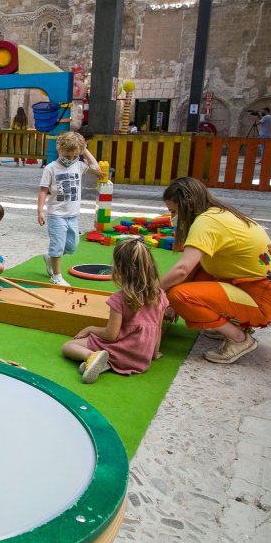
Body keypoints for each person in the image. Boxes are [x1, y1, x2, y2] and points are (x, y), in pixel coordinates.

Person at [159, 177, 271, 364]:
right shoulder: (217, 213)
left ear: (187, 203)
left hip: (261, 300)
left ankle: (239, 339)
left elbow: (182, 269)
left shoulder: (205, 222)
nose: (173, 218)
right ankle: (229, 324)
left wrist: (154, 290)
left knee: (179, 295)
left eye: (173, 211)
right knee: (195, 274)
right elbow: (193, 268)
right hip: (258, 289)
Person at [62, 238, 169, 383]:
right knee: (86, 348)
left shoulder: (119, 299)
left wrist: (90, 329)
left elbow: (111, 335)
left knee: (68, 346)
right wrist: (154, 354)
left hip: (119, 351)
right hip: (141, 359)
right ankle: (102, 364)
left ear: (119, 270)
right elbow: (158, 329)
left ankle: (92, 358)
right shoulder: (160, 296)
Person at [37, 131, 103, 286]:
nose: (71, 160)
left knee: (72, 245)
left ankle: (50, 257)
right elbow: (43, 190)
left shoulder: (79, 165)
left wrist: (84, 149)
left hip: (72, 215)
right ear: (59, 149)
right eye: (68, 156)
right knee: (58, 245)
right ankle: (56, 276)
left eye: (75, 156)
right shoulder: (51, 169)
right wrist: (40, 210)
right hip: (56, 215)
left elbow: (96, 168)